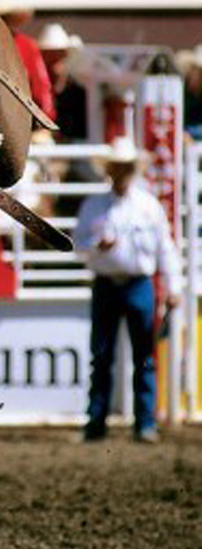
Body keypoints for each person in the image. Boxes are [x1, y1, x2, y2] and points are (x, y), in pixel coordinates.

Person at [73, 137, 181, 444]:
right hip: (107, 285)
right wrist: (97, 247)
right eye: (117, 167)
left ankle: (144, 423)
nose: (121, 172)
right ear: (110, 170)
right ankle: (96, 423)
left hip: (138, 285)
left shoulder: (148, 207)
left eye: (126, 167)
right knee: (102, 355)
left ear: (133, 170)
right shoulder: (93, 206)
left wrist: (173, 287)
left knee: (144, 356)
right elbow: (78, 247)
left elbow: (166, 249)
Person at [0, 0, 55, 120]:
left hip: (23, 119)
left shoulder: (26, 46)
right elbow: (41, 87)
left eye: (3, 18)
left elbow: (40, 89)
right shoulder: (25, 45)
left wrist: (44, 117)